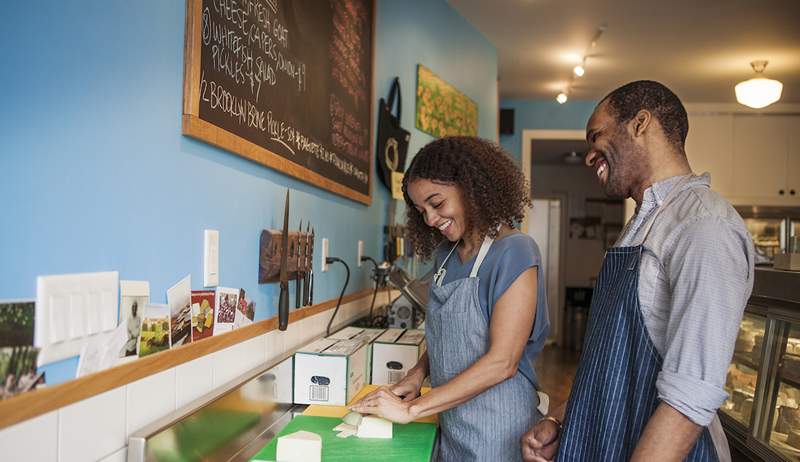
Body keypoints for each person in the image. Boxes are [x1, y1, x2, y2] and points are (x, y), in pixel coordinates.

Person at [521, 81, 755, 462]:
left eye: (596, 135)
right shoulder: (640, 226)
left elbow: (689, 400)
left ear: (640, 124)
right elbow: (609, 359)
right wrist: (564, 419)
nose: (587, 155)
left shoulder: (704, 225)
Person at [350, 136, 550, 461]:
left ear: (470, 187)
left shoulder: (515, 251)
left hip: (499, 427)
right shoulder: (446, 255)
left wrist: (412, 409)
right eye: (421, 210)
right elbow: (448, 336)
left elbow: (503, 362)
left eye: (437, 203)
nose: (430, 219)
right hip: (451, 419)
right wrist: (416, 376)